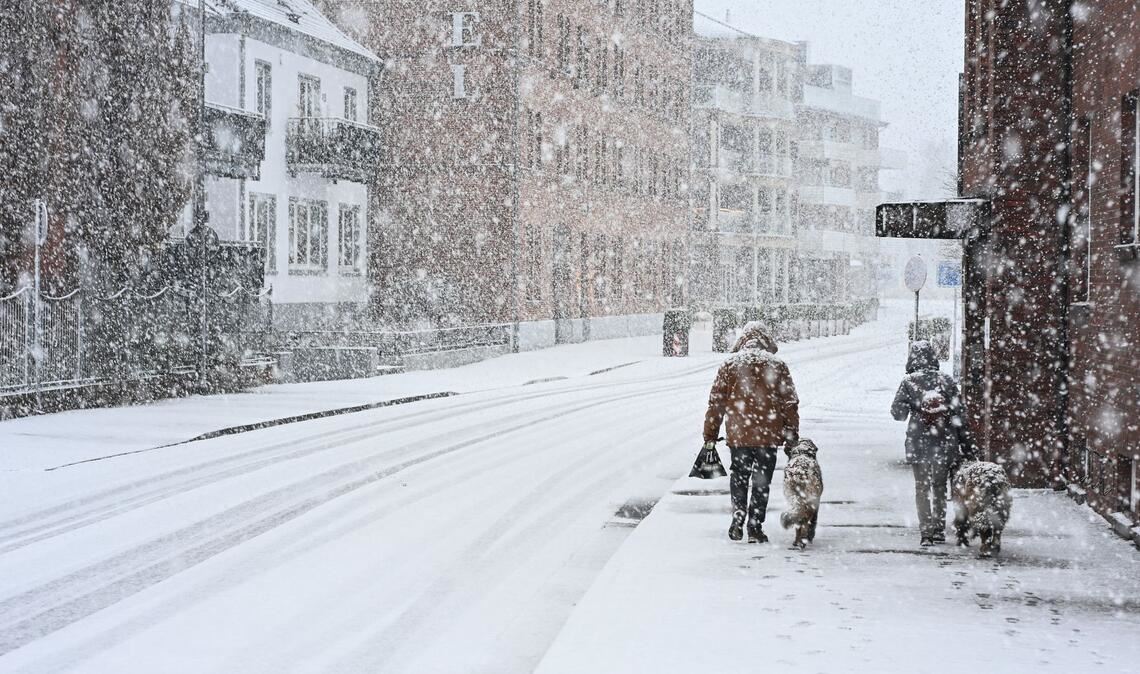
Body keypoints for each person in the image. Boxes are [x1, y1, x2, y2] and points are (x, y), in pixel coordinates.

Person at [703, 322, 800, 543]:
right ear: (766, 340)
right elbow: (790, 403)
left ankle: (738, 513)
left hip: (739, 435)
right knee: (761, 480)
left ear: (742, 340)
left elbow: (716, 403)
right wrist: (791, 434)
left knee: (739, 475)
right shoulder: (777, 365)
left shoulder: (729, 365)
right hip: (768, 435)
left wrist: (710, 434)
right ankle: (755, 527)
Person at [890, 340, 978, 547]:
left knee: (921, 488)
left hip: (918, 442)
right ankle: (939, 529)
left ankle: (926, 532)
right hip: (945, 442)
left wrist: (915, 405)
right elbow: (960, 415)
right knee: (940, 487)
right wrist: (966, 444)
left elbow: (898, 414)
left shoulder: (909, 382)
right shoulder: (947, 381)